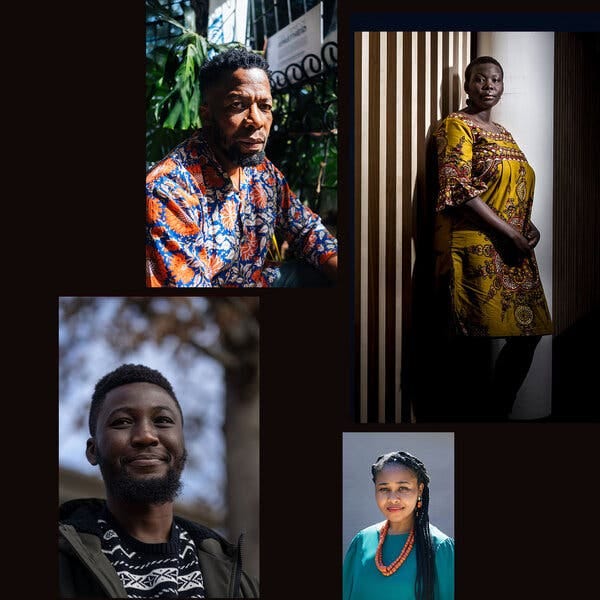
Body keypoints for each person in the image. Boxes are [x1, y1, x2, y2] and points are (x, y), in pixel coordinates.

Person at [58, 364, 259, 598]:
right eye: (122, 422)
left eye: (162, 420)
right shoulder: (63, 564)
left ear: (182, 444)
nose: (146, 436)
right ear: (93, 451)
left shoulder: (242, 587)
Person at [146, 47, 338, 287]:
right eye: (237, 105)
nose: (257, 120)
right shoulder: (168, 190)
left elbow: (307, 230)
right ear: (206, 114)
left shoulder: (263, 172)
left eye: (265, 107)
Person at [433, 56, 552, 419]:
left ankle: (497, 413)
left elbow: (514, 185)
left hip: (515, 247)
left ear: (502, 87)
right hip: (478, 245)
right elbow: (458, 186)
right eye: (480, 79)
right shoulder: (456, 124)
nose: (488, 85)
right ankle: (477, 422)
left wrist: (527, 225)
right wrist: (510, 231)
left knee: (529, 332)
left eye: (496, 80)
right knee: (475, 340)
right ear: (467, 85)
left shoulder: (505, 132)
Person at [343, 451, 454, 600]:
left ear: (419, 490)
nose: (393, 498)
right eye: (384, 489)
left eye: (403, 488)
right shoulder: (362, 541)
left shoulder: (440, 547)